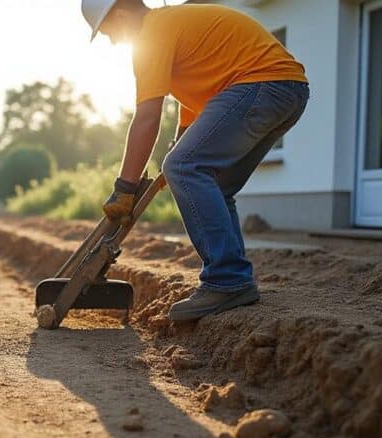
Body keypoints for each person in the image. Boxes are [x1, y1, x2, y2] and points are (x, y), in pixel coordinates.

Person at [81, 0, 310, 321]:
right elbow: (197, 105)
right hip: (287, 89)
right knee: (213, 182)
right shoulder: (172, 27)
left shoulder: (152, 34)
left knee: (182, 166)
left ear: (118, 14)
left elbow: (147, 117)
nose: (113, 41)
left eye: (108, 33)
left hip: (262, 84)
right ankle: (234, 281)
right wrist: (180, 144)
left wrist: (125, 187)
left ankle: (226, 279)